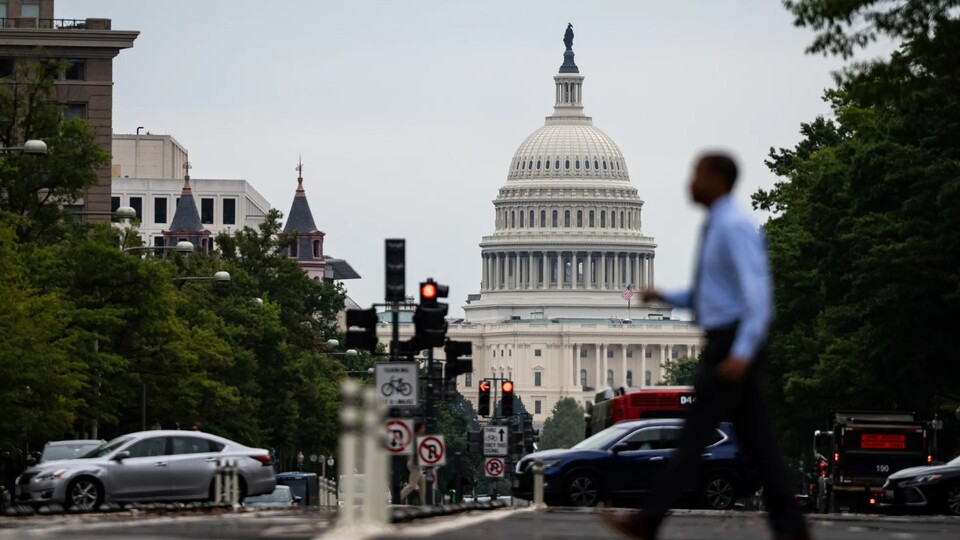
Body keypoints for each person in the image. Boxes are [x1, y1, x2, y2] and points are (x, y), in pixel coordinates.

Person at [603, 153, 811, 540]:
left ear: (717, 179)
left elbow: (757, 296)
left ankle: (647, 519)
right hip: (725, 340)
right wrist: (666, 295)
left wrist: (742, 352)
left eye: (697, 174)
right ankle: (793, 531)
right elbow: (711, 294)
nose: (690, 182)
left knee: (696, 436)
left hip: (731, 344)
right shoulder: (717, 225)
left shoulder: (733, 227)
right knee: (759, 447)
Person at [399, 421, 427, 503]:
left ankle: (424, 504)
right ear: (419, 429)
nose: (424, 429)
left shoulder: (415, 438)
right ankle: (398, 498)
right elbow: (416, 453)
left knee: (422, 485)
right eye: (423, 428)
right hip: (415, 464)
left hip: (415, 464)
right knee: (412, 485)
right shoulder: (415, 439)